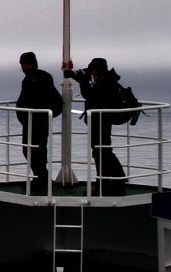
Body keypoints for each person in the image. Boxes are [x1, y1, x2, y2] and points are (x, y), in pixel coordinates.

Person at [65, 57, 127, 194]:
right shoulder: (106, 80)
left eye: (93, 70)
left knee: (102, 151)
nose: (91, 73)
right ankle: (114, 182)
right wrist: (78, 76)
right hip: (101, 121)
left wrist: (82, 80)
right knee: (102, 151)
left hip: (101, 121)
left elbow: (90, 95)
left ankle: (107, 183)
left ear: (97, 70)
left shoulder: (105, 83)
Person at [15, 51, 62, 189]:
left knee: (38, 149)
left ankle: (43, 179)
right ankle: (41, 177)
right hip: (29, 120)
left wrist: (47, 113)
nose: (25, 67)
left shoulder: (43, 77)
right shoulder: (26, 80)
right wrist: (23, 116)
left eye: (27, 64)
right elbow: (24, 99)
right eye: (23, 65)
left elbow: (52, 98)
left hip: (40, 121)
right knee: (28, 149)